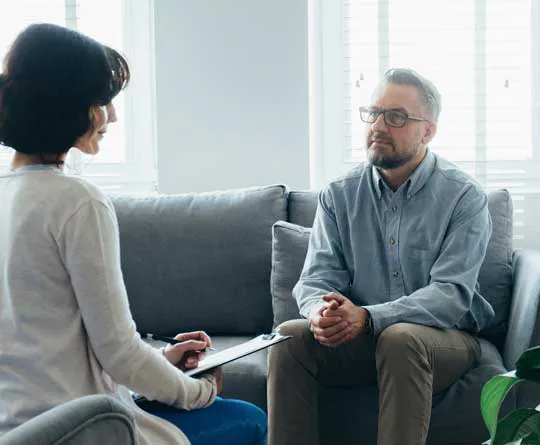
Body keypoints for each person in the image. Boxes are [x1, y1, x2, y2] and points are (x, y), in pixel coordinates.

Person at [0, 23, 267, 445]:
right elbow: (120, 354)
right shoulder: (79, 202)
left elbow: (57, 345)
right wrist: (200, 391)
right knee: (249, 419)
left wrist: (161, 360)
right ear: (68, 103)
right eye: (102, 101)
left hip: (19, 430)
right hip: (82, 428)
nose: (112, 116)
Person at [267, 68, 495, 445]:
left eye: (396, 117)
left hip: (446, 339)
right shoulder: (339, 194)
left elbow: (451, 295)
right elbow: (316, 279)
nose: (378, 126)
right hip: (362, 338)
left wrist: (369, 317)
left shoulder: (463, 197)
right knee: (289, 337)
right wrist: (321, 313)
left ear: (428, 131)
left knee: (400, 339)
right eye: (373, 113)